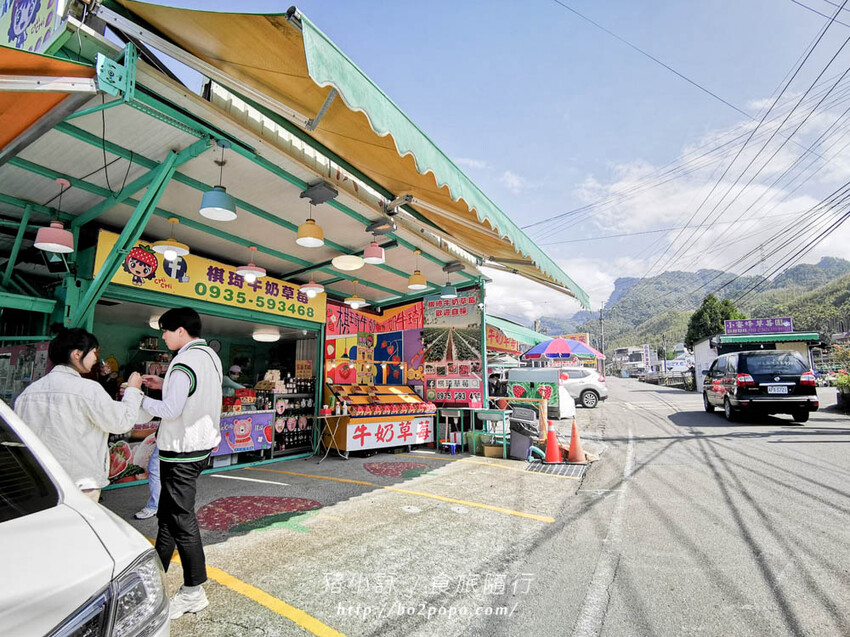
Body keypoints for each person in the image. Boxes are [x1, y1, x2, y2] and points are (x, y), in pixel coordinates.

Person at [136, 307, 222, 620]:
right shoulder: (209, 355)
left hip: (181, 450)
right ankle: (156, 574)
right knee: (169, 514)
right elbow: (194, 394)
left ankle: (193, 592)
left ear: (180, 331)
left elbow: (171, 410)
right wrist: (164, 383)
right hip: (200, 447)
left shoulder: (183, 360)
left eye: (166, 330)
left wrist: (137, 396)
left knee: (181, 518)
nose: (163, 335)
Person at [14, 328, 144, 502]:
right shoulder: (87, 389)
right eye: (94, 352)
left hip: (39, 480)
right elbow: (121, 422)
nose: (96, 358)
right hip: (79, 482)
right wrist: (133, 390)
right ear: (77, 354)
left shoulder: (28, 393)